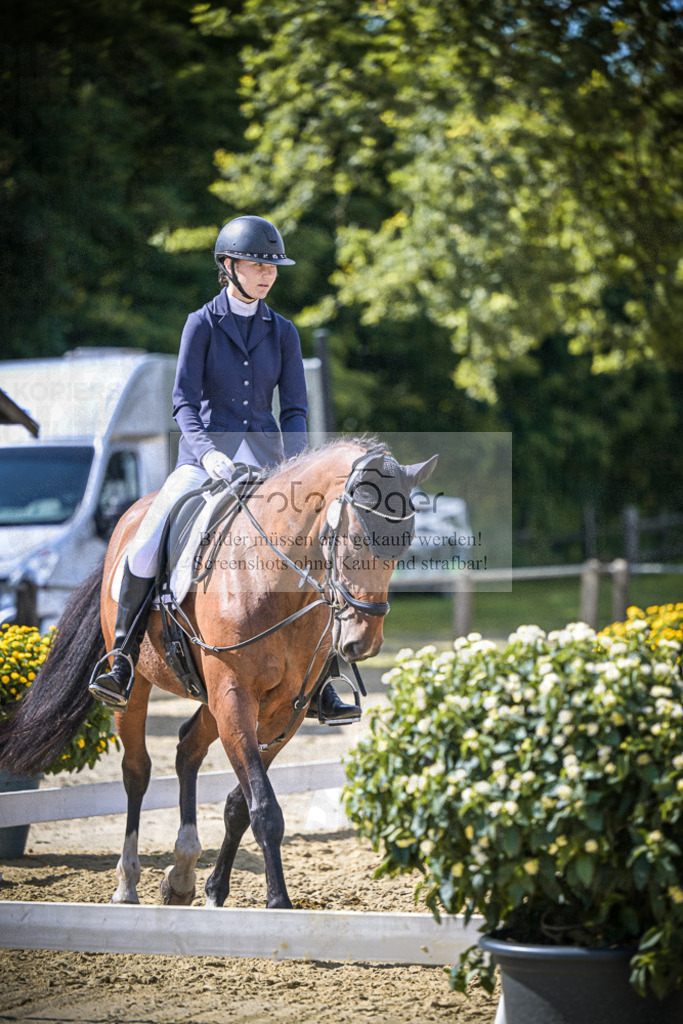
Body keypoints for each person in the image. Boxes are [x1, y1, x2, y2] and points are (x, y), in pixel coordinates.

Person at [88, 215, 359, 723]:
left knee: (321, 551)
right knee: (147, 541)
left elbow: (294, 408)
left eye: (273, 267)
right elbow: (183, 403)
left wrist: (298, 467)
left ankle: (326, 675)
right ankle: (120, 658)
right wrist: (207, 452)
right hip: (204, 459)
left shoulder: (283, 332)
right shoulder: (202, 323)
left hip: (270, 466)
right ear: (229, 266)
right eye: (258, 264)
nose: (268, 275)